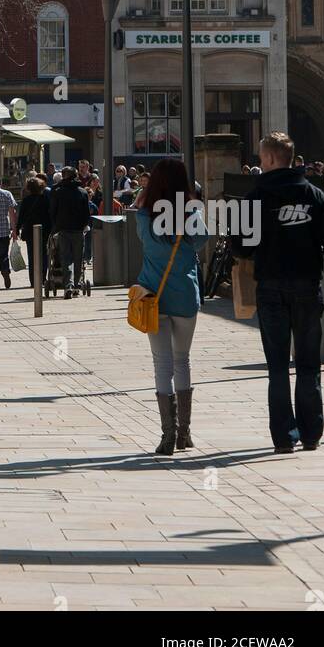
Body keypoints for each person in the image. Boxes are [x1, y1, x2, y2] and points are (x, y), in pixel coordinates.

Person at [237, 132, 324, 453]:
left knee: (278, 366)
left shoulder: (254, 198)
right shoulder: (314, 195)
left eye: (260, 157)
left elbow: (241, 247)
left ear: (270, 159)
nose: (259, 162)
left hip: (270, 288)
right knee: (309, 364)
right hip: (308, 288)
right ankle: (311, 433)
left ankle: (284, 436)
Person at [135, 158, 209, 456]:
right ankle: (184, 434)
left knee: (161, 364)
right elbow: (202, 239)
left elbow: (141, 232)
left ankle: (166, 435)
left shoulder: (144, 216)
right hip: (185, 296)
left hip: (152, 296)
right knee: (182, 360)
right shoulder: (189, 214)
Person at [50, 167, 91, 298]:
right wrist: (84, 225)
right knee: (78, 258)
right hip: (78, 230)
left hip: (63, 229)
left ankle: (68, 285)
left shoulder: (57, 192)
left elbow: (52, 211)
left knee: (66, 258)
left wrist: (56, 226)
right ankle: (77, 285)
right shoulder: (83, 192)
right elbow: (86, 214)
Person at [17, 176, 50, 288]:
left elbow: (21, 217)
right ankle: (43, 278)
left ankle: (33, 281)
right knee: (43, 254)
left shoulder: (26, 201)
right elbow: (49, 215)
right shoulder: (45, 199)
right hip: (44, 230)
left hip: (30, 231)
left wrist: (16, 230)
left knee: (32, 256)